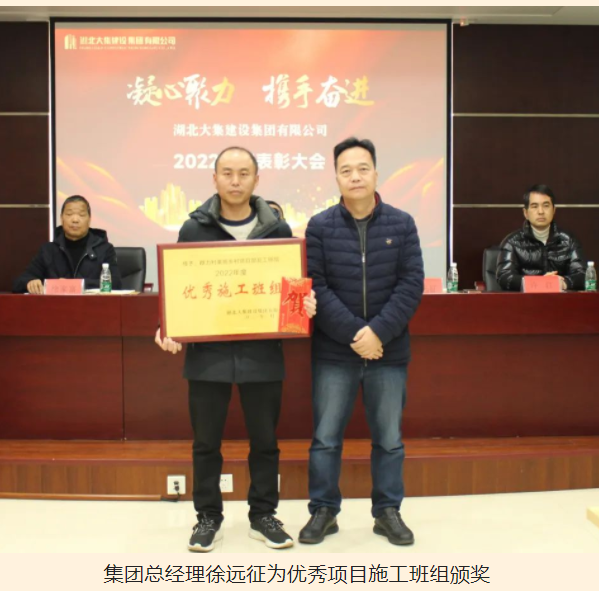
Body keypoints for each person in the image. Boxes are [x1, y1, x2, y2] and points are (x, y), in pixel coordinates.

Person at [154, 146, 317, 552]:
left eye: (244, 173)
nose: (235, 180)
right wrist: (168, 325)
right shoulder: (193, 230)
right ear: (214, 179)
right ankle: (208, 517)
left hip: (262, 353)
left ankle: (263, 515)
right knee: (206, 443)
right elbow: (180, 289)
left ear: (256, 180)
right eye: (227, 173)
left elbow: (292, 293)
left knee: (265, 441)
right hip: (208, 355)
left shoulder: (278, 231)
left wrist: (303, 305)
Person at [299, 137, 424, 546]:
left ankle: (387, 512)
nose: (355, 176)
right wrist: (358, 335)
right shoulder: (319, 226)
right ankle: (323, 511)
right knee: (325, 438)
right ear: (336, 177)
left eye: (362, 168)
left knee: (389, 439)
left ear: (376, 173)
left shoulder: (402, 224)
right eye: (346, 170)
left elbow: (411, 285)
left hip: (388, 351)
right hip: (335, 352)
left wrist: (378, 333)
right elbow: (317, 287)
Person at [12, 195, 121, 294]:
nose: (75, 220)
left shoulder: (105, 249)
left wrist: (75, 284)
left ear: (89, 219)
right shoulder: (48, 250)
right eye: (69, 214)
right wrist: (29, 282)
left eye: (81, 215)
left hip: (92, 307)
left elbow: (116, 283)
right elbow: (18, 283)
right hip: (56, 307)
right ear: (61, 218)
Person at [495, 184, 587, 291]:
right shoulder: (512, 242)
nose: (541, 212)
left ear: (554, 210)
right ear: (525, 213)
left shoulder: (569, 240)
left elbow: (584, 275)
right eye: (534, 206)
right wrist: (541, 282)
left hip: (560, 300)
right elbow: (504, 278)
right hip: (526, 300)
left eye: (546, 205)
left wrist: (563, 283)